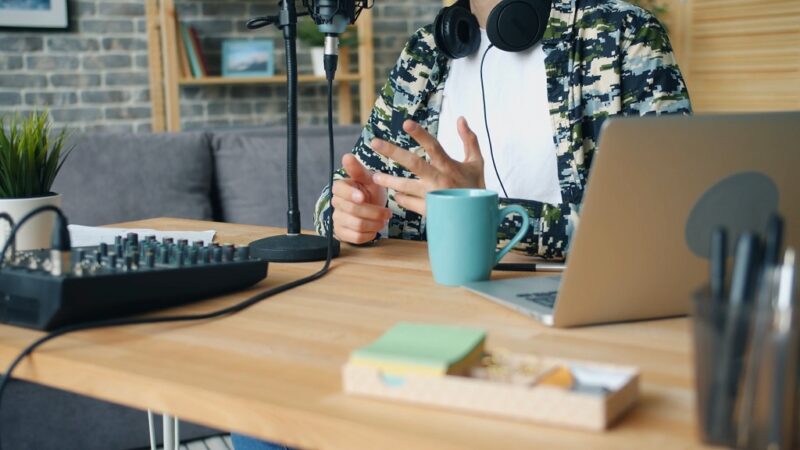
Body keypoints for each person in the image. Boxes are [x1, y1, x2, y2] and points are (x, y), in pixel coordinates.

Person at [233, 0, 690, 448]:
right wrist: (350, 212)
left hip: (571, 331)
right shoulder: (428, 50)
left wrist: (483, 214)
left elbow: (666, 223)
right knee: (258, 415)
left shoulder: (622, 32)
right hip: (427, 326)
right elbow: (336, 193)